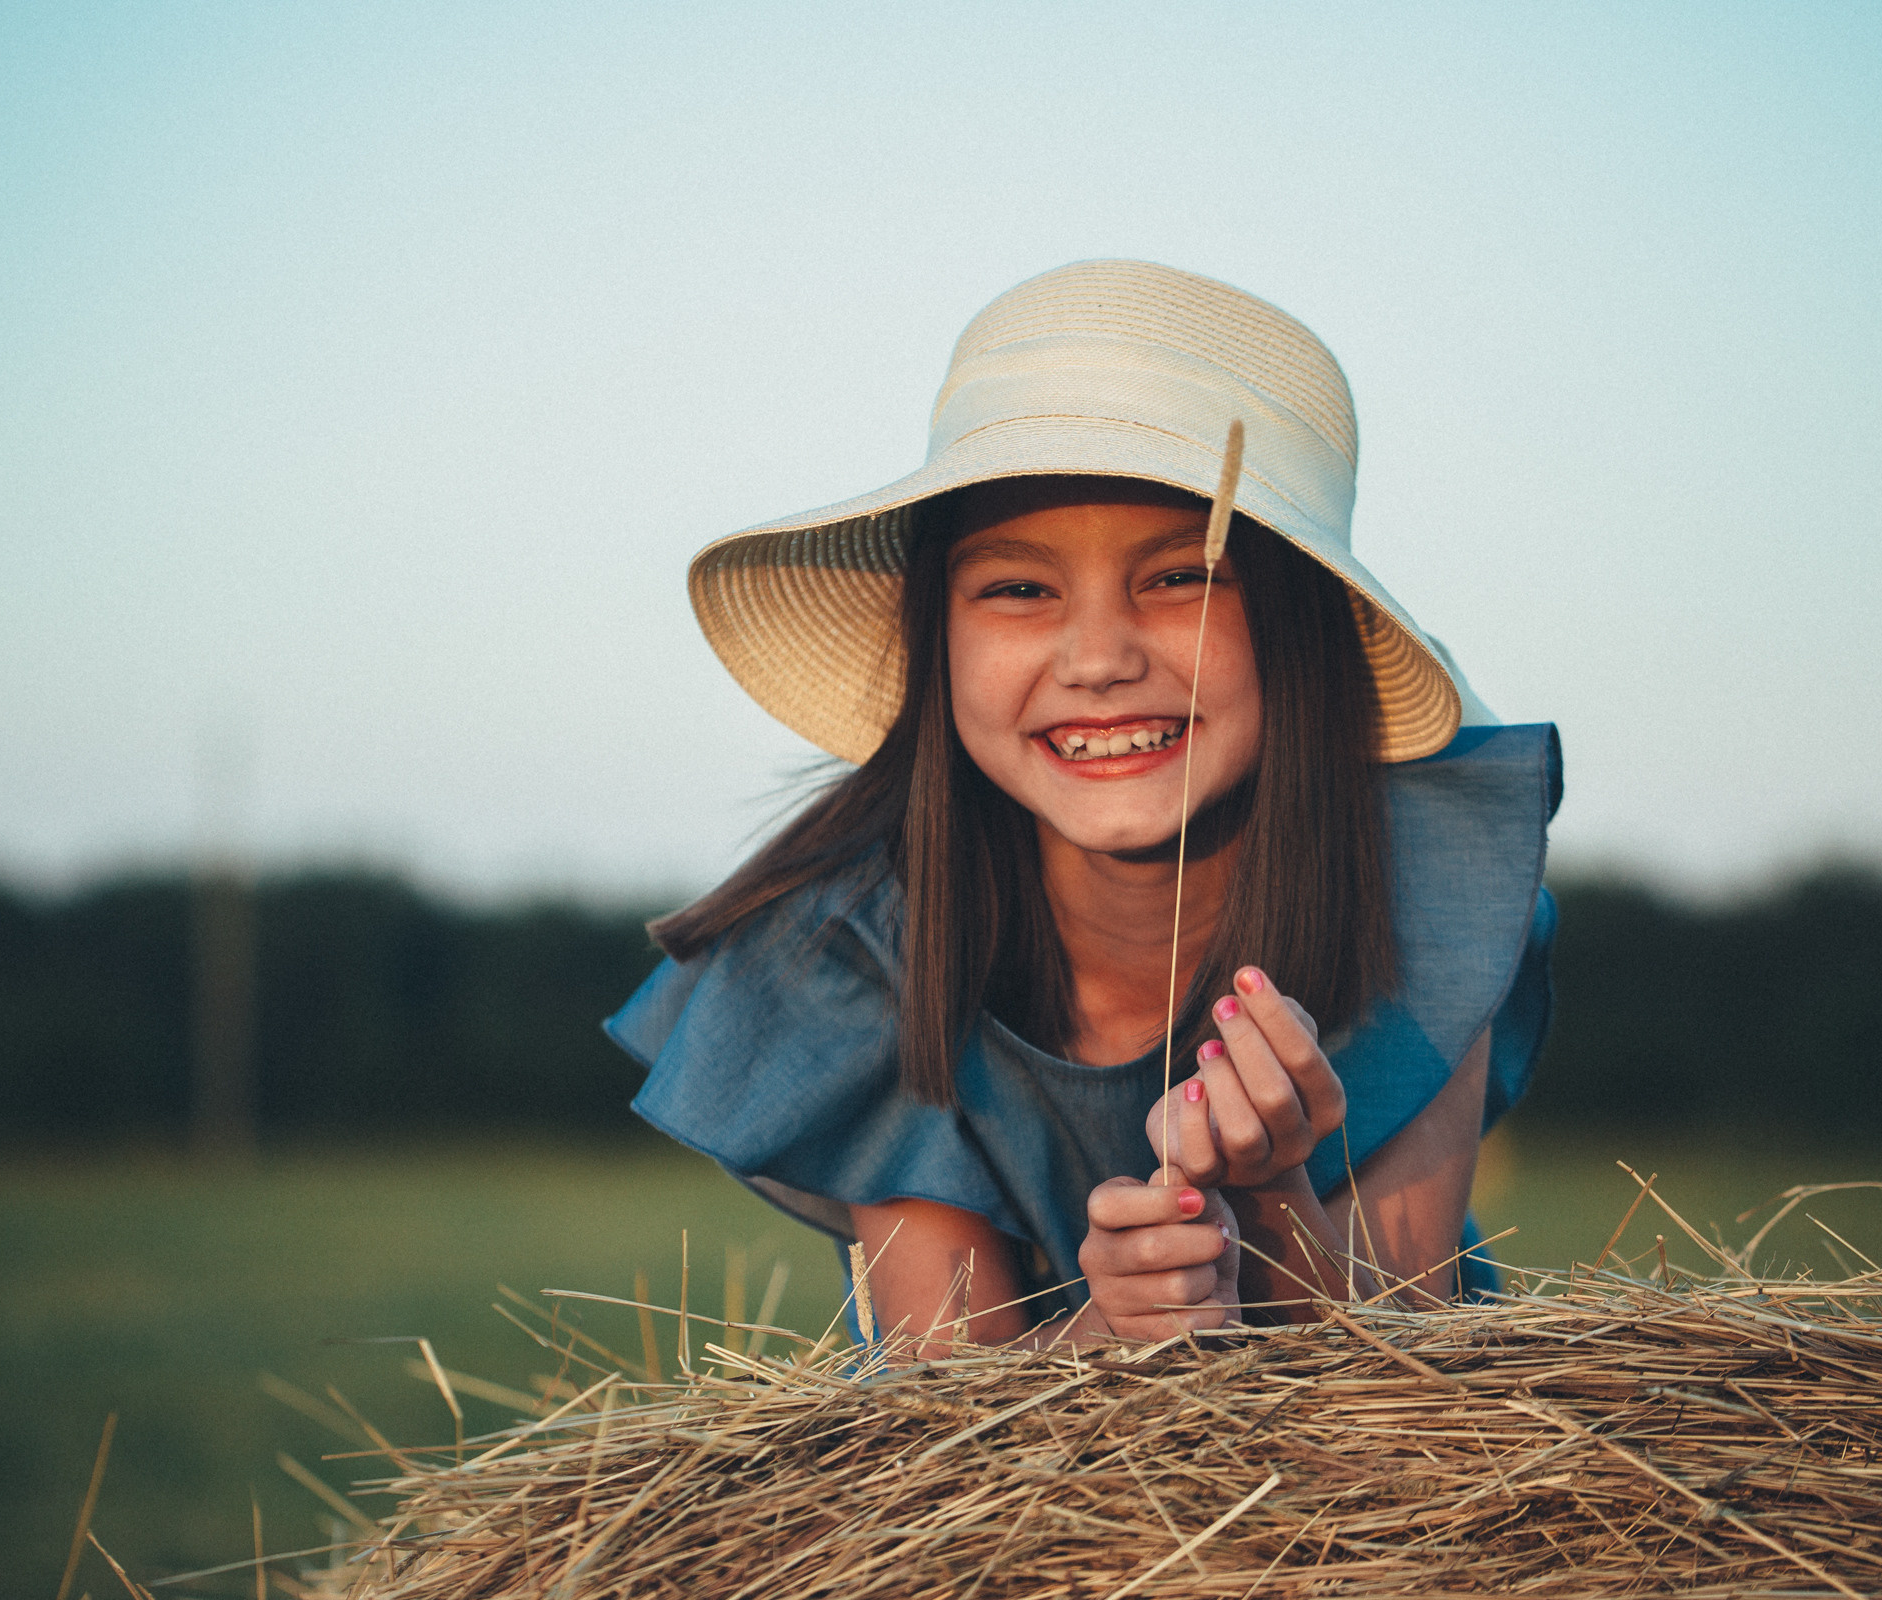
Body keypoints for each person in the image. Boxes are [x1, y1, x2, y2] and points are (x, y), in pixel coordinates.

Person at [606, 260, 1560, 1352]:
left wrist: (1268, 1197)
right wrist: (1102, 1339)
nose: (1099, 659)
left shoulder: (1431, 879)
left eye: (1181, 578)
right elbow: (949, 1421)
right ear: (938, 641)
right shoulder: (860, 945)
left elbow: (1399, 1378)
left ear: (1303, 630)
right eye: (1018, 588)